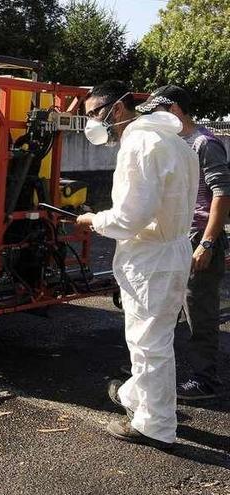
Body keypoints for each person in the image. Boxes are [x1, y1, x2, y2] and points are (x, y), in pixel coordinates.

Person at [76, 80, 199, 449]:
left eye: (94, 114)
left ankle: (155, 426)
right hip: (172, 251)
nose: (91, 124)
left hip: (150, 258)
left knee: (149, 344)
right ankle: (135, 395)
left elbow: (129, 218)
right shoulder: (178, 144)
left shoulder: (139, 145)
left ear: (117, 109)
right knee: (153, 338)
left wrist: (94, 220)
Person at [136, 85, 230, 401]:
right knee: (166, 309)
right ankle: (157, 372)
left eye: (156, 113)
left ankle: (206, 381)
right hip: (177, 239)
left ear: (174, 110)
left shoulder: (205, 143)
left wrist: (207, 243)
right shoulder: (178, 144)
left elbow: (222, 194)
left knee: (199, 314)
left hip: (199, 241)